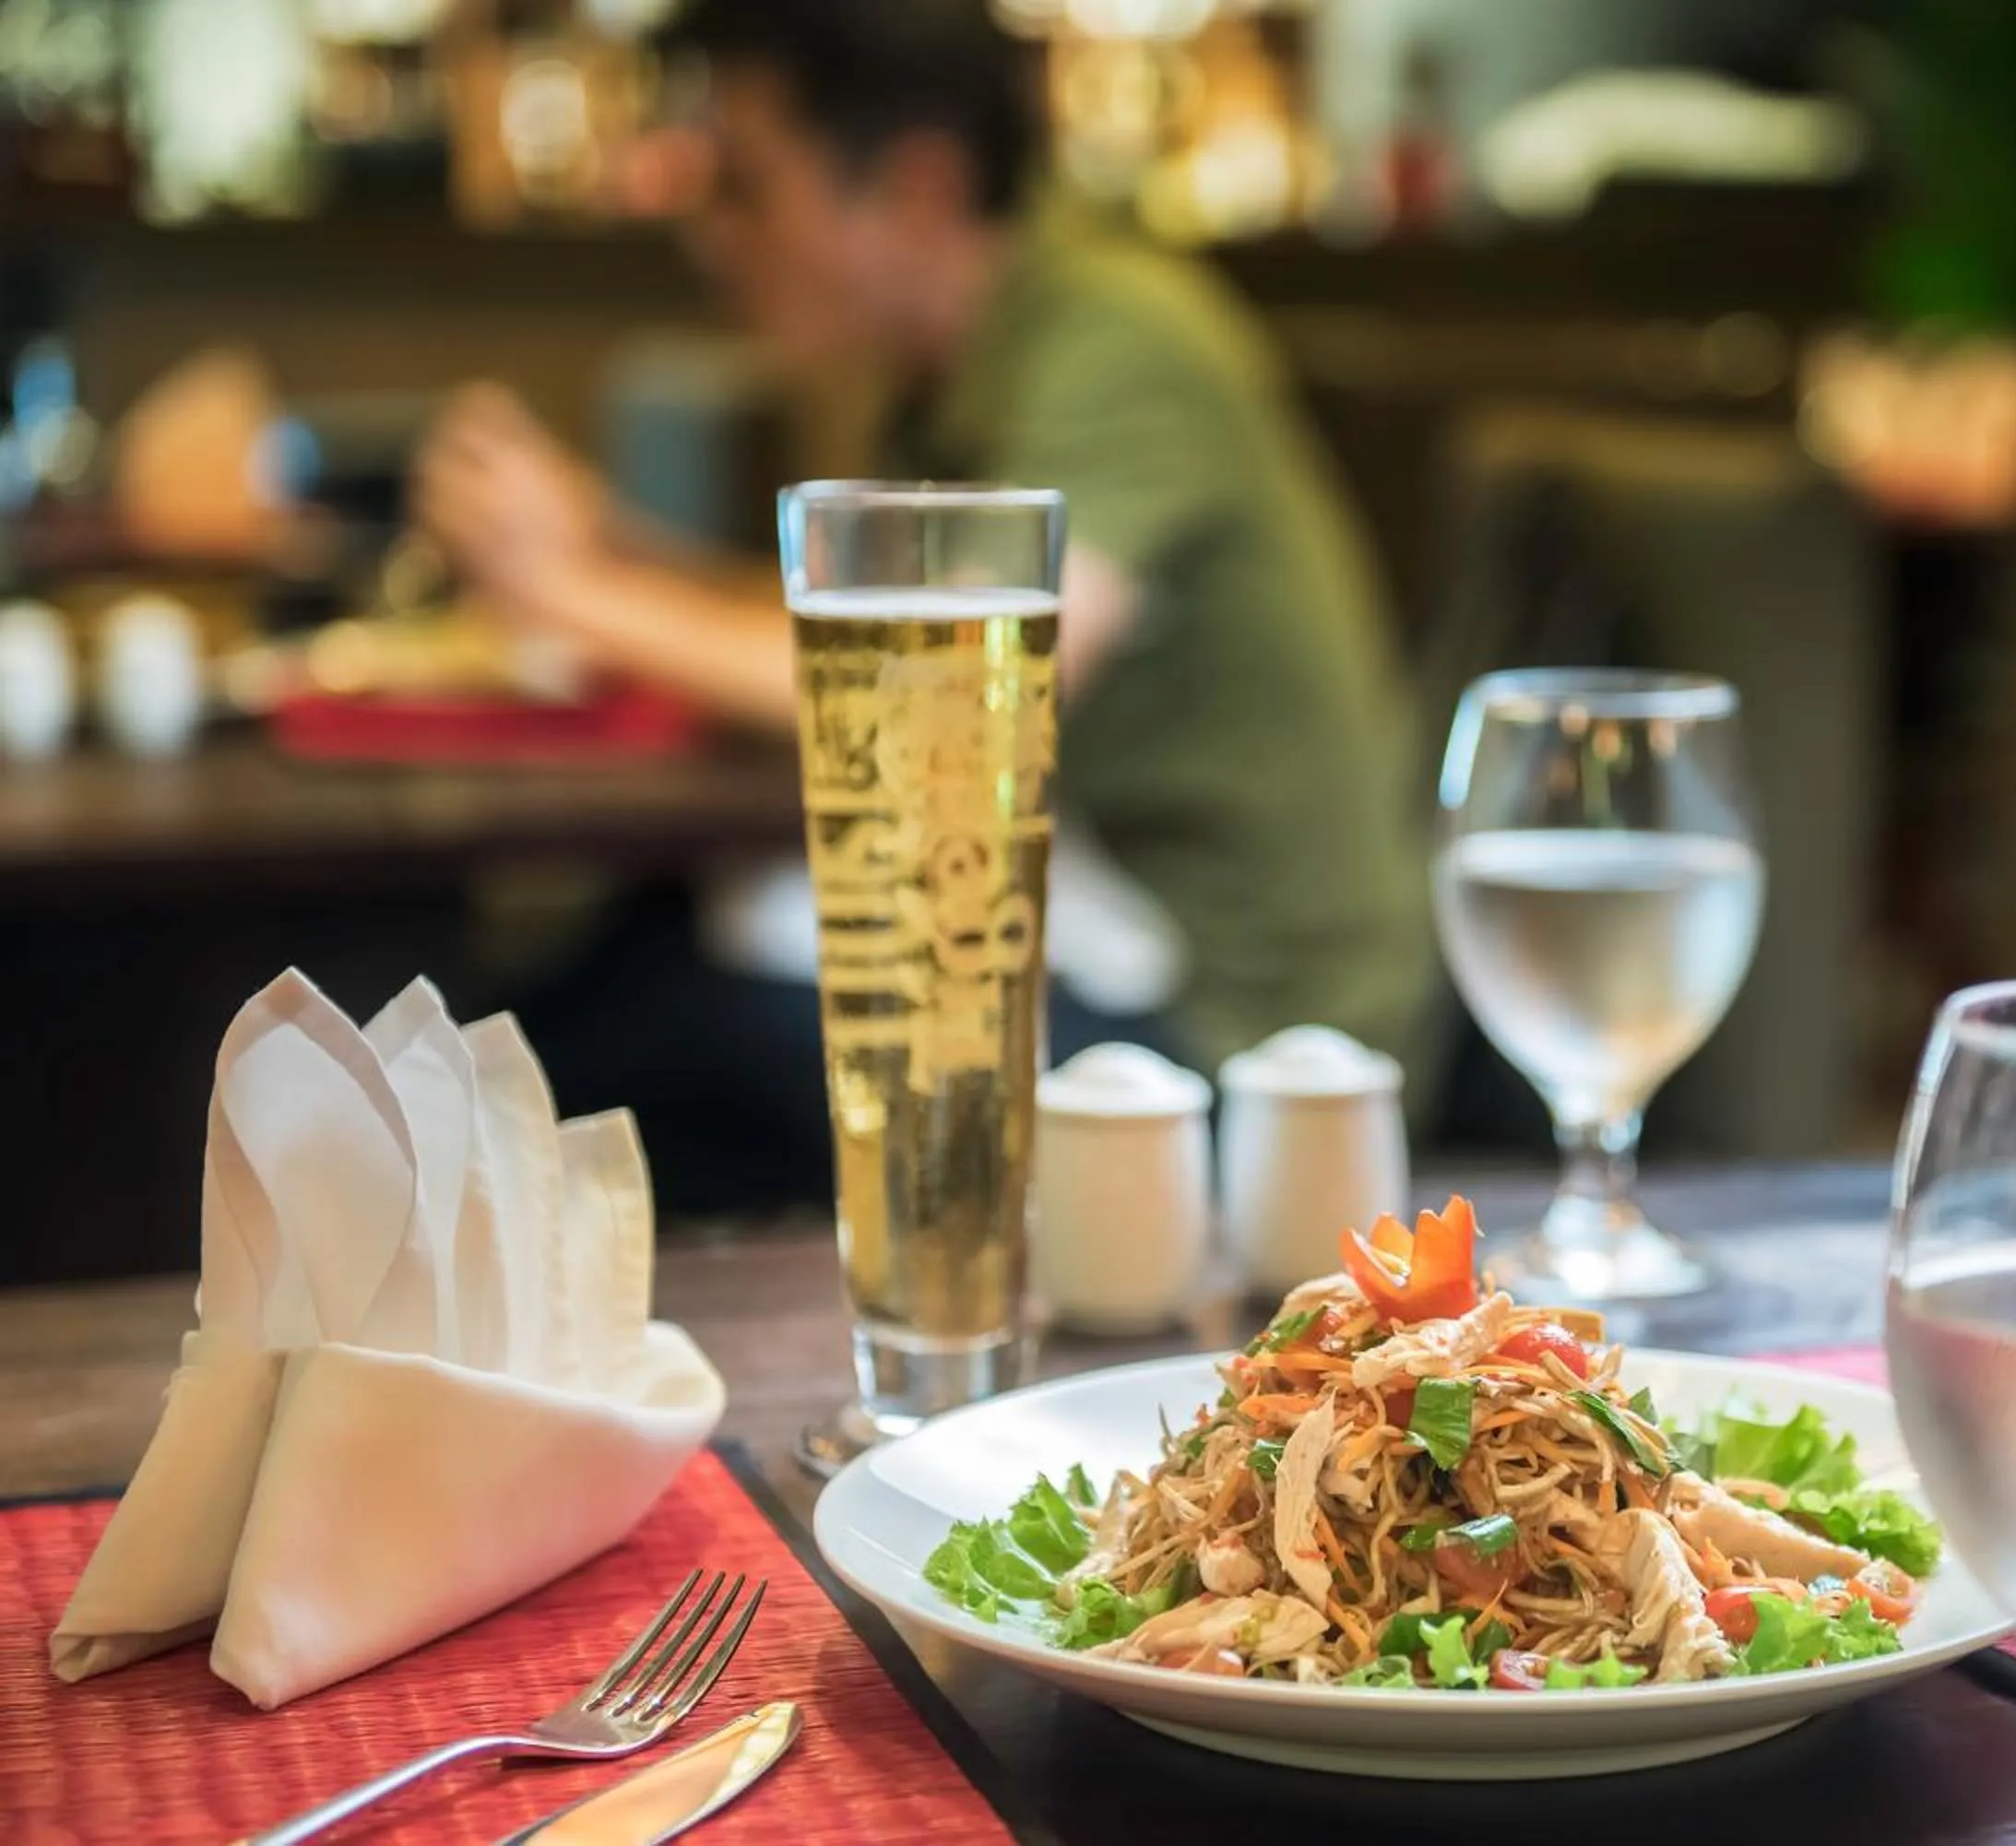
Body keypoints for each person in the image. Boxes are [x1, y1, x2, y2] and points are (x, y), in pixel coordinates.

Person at [416, 0, 1429, 1211]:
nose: (708, 236)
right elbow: (841, 629)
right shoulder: (961, 362)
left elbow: (941, 699)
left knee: (631, 1044)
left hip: (1241, 1028)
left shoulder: (1118, 337)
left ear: (917, 188)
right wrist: (612, 552)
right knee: (613, 974)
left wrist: (565, 587)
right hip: (1072, 933)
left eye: (743, 186)